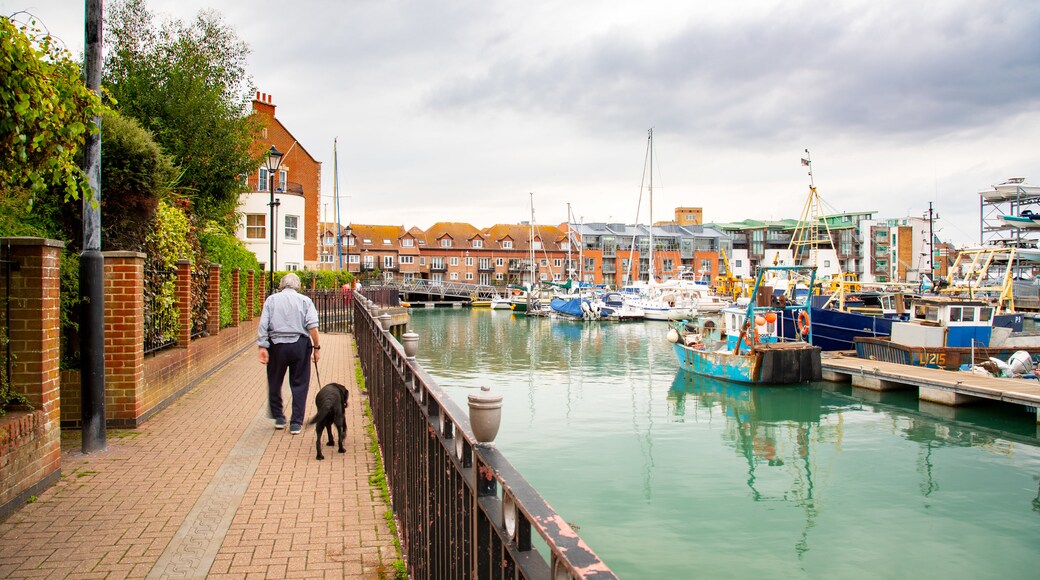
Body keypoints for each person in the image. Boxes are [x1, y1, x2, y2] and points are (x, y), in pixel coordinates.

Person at [257, 273, 320, 434]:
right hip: (299, 344)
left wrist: (263, 346)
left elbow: (263, 325)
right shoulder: (305, 301)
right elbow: (312, 327)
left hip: (276, 345)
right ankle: (296, 423)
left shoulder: (271, 300)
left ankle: (279, 417)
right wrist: (316, 348)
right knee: (300, 383)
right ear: (298, 286)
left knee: (275, 380)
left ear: (281, 285)